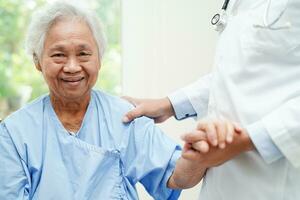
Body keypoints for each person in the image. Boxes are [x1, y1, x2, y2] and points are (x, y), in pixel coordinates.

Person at [0, 2, 213, 199]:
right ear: (38, 61)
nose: (72, 67)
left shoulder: (125, 116)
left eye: (83, 54)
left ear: (99, 58)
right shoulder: (14, 132)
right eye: (58, 55)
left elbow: (176, 178)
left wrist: (197, 154)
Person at [123, 0, 300, 199]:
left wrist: (248, 140)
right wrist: (168, 104)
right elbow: (232, 73)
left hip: (274, 180)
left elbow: (175, 180)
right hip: (220, 184)